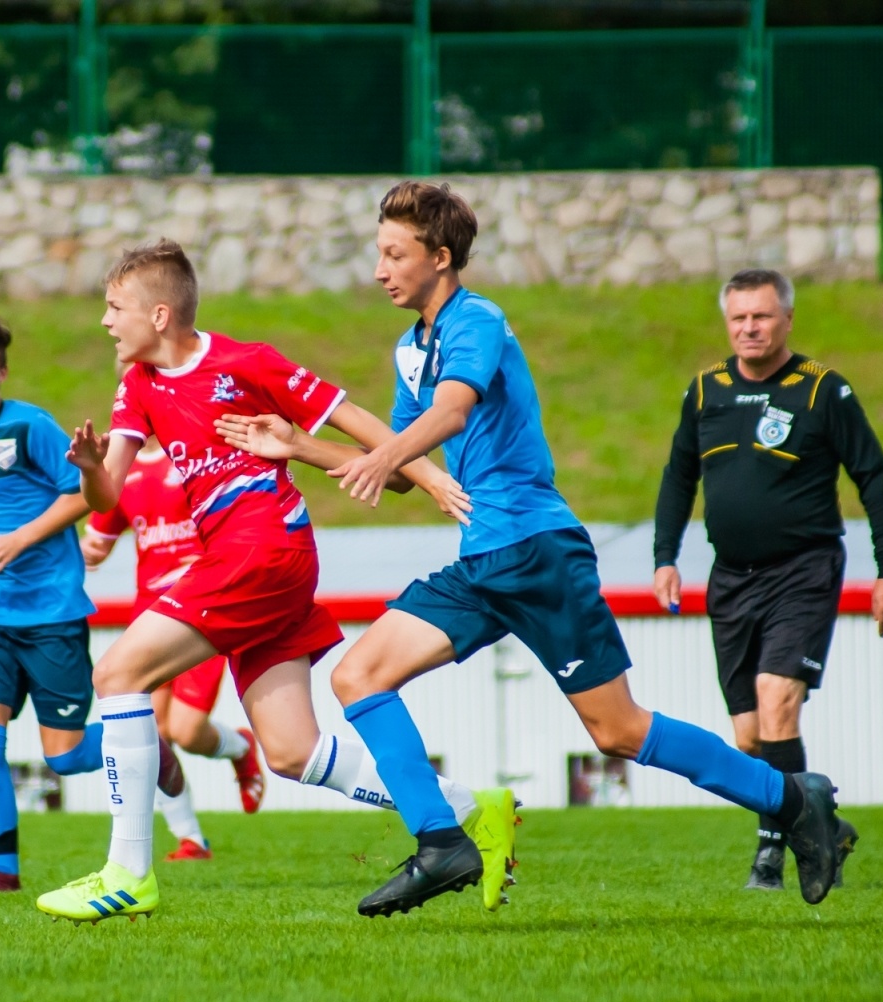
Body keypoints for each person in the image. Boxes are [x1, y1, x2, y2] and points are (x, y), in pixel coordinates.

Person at [217, 182, 848, 915]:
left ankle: (794, 798)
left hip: (538, 551)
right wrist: (300, 445)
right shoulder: (409, 347)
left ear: (441, 256)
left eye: (396, 253)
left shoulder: (477, 319)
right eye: (379, 253)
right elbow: (397, 463)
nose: (381, 269)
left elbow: (453, 411)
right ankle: (440, 842)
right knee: (359, 675)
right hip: (485, 560)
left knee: (618, 730)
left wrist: (385, 459)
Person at [37, 239, 514, 923]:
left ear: (161, 313)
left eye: (116, 308)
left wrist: (427, 472)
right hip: (250, 561)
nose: (107, 322)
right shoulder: (137, 385)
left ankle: (128, 872)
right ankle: (466, 808)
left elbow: (352, 420)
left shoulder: (248, 362)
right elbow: (108, 495)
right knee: (292, 752)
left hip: (262, 549)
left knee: (116, 676)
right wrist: (87, 467)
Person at [0, 308, 186, 893]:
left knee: (62, 757)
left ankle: (156, 749)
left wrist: (18, 539)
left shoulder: (31, 427)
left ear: (2, 370)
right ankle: (3, 871)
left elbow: (85, 498)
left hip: (51, 615)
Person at [652, 268, 883, 890]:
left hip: (805, 569)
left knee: (776, 698)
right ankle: (827, 829)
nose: (749, 328)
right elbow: (680, 477)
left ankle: (773, 852)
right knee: (748, 736)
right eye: (738, 318)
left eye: (761, 316)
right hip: (731, 577)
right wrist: (665, 556)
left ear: (786, 319)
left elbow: (871, 475)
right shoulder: (705, 391)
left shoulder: (822, 392)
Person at [80, 437, 269, 861]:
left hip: (203, 605)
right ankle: (192, 839)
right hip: (151, 612)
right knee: (156, 733)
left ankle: (239, 747)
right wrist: (82, 550)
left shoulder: (195, 457)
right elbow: (99, 539)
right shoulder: (121, 471)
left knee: (185, 730)